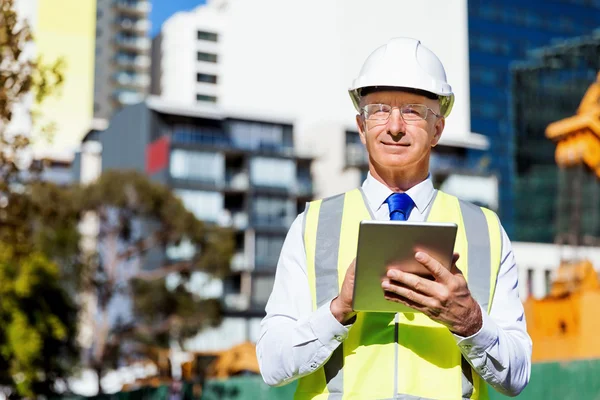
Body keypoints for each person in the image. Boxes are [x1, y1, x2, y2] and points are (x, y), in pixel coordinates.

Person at [257, 37, 532, 400]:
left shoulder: (486, 231)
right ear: (361, 126)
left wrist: (471, 323)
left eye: (415, 110)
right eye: (380, 110)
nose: (395, 126)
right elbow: (271, 364)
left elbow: (518, 375)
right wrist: (337, 311)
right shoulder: (312, 227)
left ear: (438, 129)